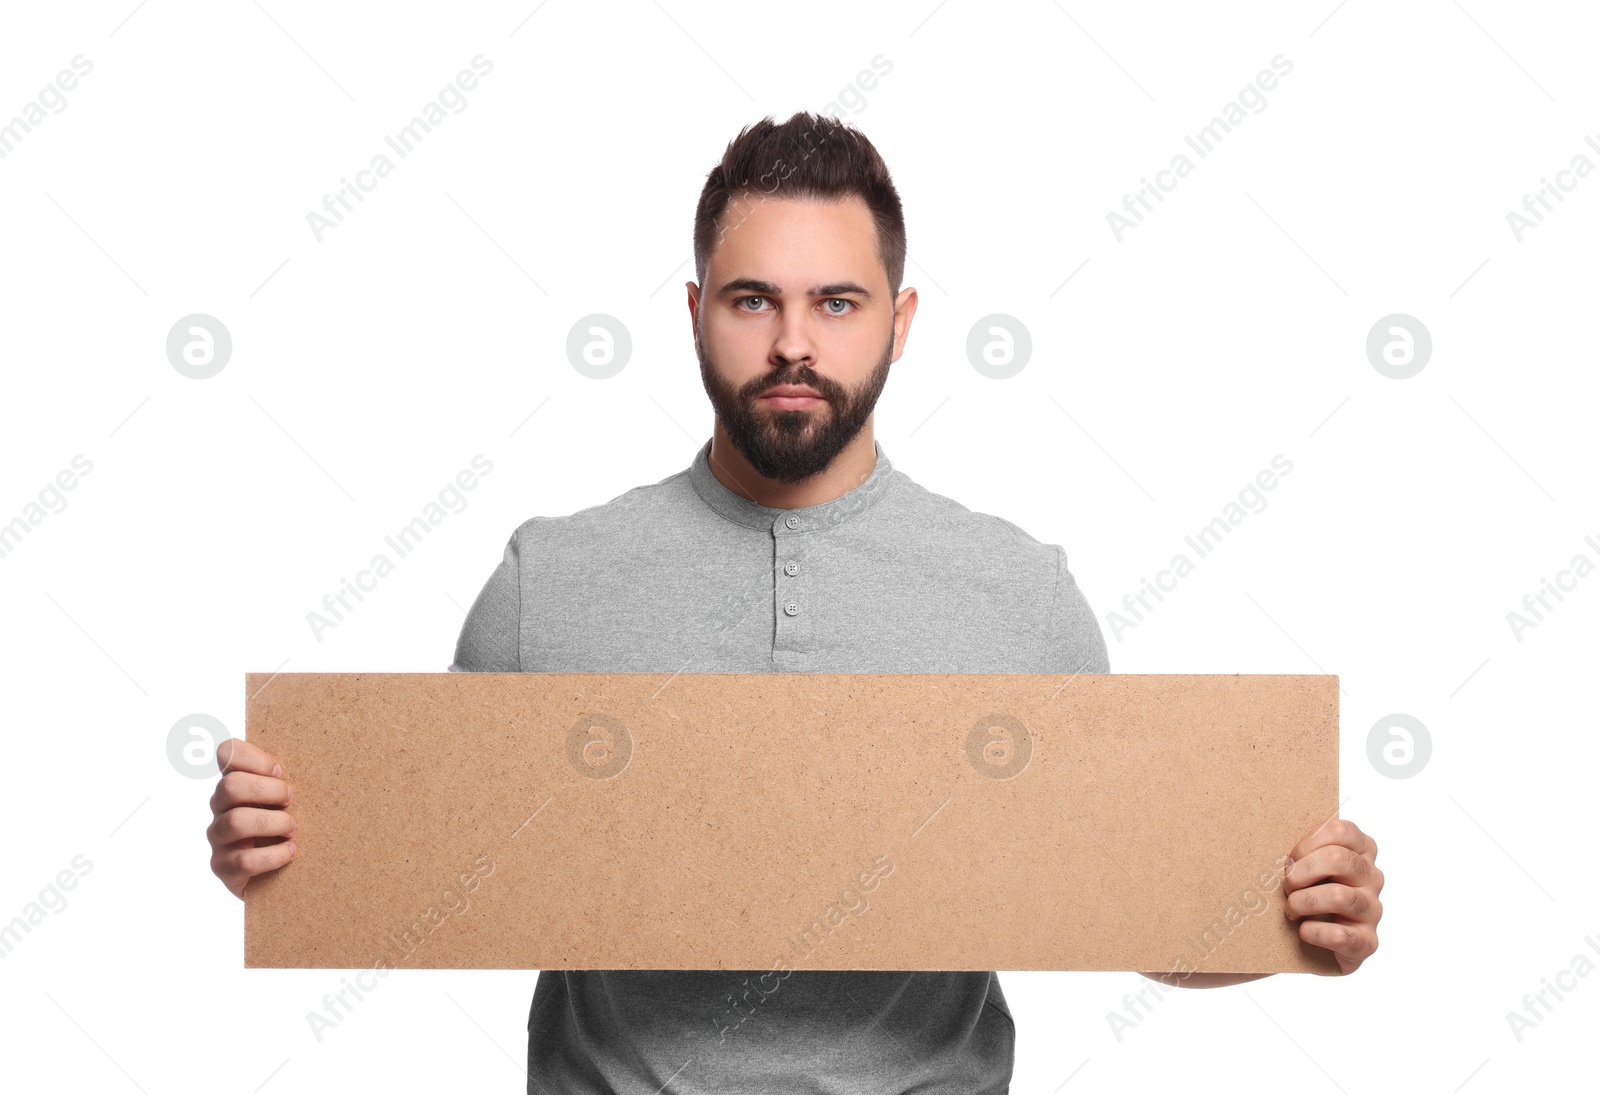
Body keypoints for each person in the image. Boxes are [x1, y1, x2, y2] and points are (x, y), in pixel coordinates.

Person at [208, 111, 1384, 1094]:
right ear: (693, 312)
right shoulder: (549, 581)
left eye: (835, 303)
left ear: (900, 322)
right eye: (751, 299)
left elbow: (1127, 916)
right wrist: (283, 851)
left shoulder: (1019, 596)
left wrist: (1290, 917)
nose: (790, 344)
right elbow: (432, 881)